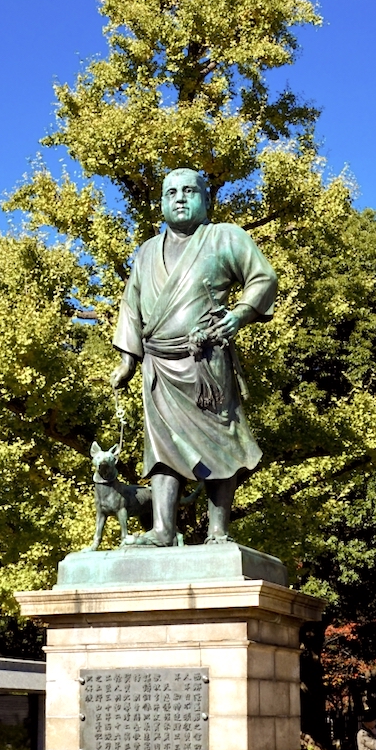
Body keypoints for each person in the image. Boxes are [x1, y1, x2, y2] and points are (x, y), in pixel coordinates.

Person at [108, 168, 278, 546]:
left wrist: (240, 313)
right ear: (162, 202)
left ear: (206, 198)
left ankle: (219, 530)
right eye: (171, 193)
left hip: (205, 360)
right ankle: (162, 529)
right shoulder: (148, 250)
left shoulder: (225, 237)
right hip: (158, 362)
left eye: (188, 191)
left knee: (219, 441)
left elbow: (263, 278)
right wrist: (126, 360)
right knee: (160, 443)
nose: (180, 198)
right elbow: (130, 304)